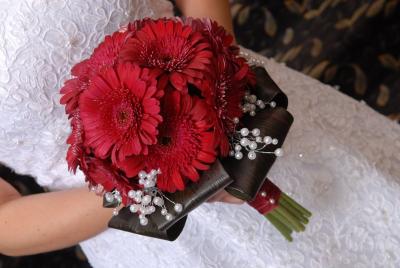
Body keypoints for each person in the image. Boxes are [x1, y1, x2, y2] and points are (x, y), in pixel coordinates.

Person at [0, 0, 399, 267]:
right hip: (144, 232)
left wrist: (219, 76)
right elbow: (5, 223)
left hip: (243, 113)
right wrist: (150, 190)